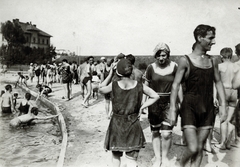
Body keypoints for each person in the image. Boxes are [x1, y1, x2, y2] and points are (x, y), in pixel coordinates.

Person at [169, 24, 227, 167]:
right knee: (193, 147)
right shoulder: (185, 60)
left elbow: (218, 82)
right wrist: (172, 109)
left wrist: (223, 106)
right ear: (200, 38)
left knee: (200, 147)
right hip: (189, 107)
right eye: (210, 38)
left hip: (208, 108)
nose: (213, 42)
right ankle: (181, 165)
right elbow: (175, 85)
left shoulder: (213, 60)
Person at [99, 58, 159, 167]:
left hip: (117, 124)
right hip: (133, 124)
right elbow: (155, 96)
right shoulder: (139, 85)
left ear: (118, 72)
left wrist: (111, 73)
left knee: (116, 158)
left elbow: (100, 88)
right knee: (132, 160)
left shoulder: (113, 85)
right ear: (131, 71)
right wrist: (142, 107)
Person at [143, 43, 183, 167]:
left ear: (168, 55)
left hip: (170, 103)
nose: (161, 58)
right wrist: (143, 103)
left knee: (166, 133)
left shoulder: (175, 66)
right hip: (154, 103)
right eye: (159, 55)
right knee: (155, 132)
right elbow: (146, 86)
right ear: (155, 55)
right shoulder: (150, 68)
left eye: (164, 55)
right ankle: (157, 158)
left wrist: (182, 103)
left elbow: (179, 85)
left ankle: (165, 157)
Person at [214, 47, 239, 150]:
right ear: (231, 55)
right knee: (230, 120)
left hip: (223, 91)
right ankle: (229, 142)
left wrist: (214, 97)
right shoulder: (236, 66)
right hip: (234, 92)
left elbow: (215, 83)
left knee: (223, 119)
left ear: (221, 56)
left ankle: (223, 143)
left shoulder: (219, 66)